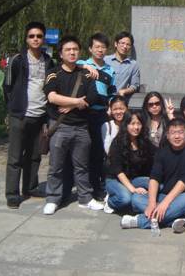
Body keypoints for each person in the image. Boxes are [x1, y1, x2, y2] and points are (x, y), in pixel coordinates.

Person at [42, 35, 108, 215]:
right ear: (61, 54)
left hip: (81, 127)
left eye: (75, 49)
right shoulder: (54, 73)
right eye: (68, 50)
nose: (72, 52)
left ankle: (85, 198)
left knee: (82, 166)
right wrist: (76, 101)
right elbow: (52, 97)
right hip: (60, 127)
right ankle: (53, 199)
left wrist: (69, 105)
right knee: (56, 166)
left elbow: (92, 97)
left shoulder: (86, 74)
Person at [120, 118, 185, 233]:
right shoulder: (162, 152)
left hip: (184, 198)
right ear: (167, 136)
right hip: (164, 196)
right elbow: (154, 178)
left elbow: (184, 181)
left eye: (180, 132)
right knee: (136, 198)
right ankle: (176, 220)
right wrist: (152, 203)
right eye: (173, 133)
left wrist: (164, 204)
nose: (177, 136)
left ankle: (140, 221)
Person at [3, 22, 54, 209]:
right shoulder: (17, 60)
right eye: (32, 36)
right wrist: (14, 107)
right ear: (26, 39)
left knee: (34, 156)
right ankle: (12, 194)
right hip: (20, 115)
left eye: (39, 36)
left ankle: (30, 187)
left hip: (40, 116)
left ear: (43, 38)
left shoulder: (48, 61)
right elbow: (7, 86)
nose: (35, 39)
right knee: (15, 157)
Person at [77, 33, 116, 200]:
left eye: (103, 47)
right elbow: (73, 64)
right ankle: (82, 186)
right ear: (90, 49)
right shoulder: (82, 64)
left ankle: (97, 187)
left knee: (99, 152)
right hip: (83, 113)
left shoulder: (110, 70)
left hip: (101, 114)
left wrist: (111, 108)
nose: (100, 50)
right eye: (97, 47)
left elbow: (112, 93)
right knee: (82, 151)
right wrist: (86, 66)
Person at [104, 111, 155, 213]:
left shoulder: (144, 141)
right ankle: (110, 201)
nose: (136, 127)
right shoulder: (117, 143)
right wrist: (133, 189)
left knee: (158, 185)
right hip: (115, 179)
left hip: (134, 179)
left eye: (139, 124)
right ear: (126, 125)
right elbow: (118, 171)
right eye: (132, 124)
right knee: (125, 199)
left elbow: (158, 154)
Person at [104, 31, 140, 103]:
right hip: (103, 100)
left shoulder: (133, 64)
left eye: (128, 44)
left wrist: (124, 91)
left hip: (119, 102)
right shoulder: (105, 60)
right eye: (122, 43)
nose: (125, 46)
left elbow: (135, 85)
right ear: (116, 44)